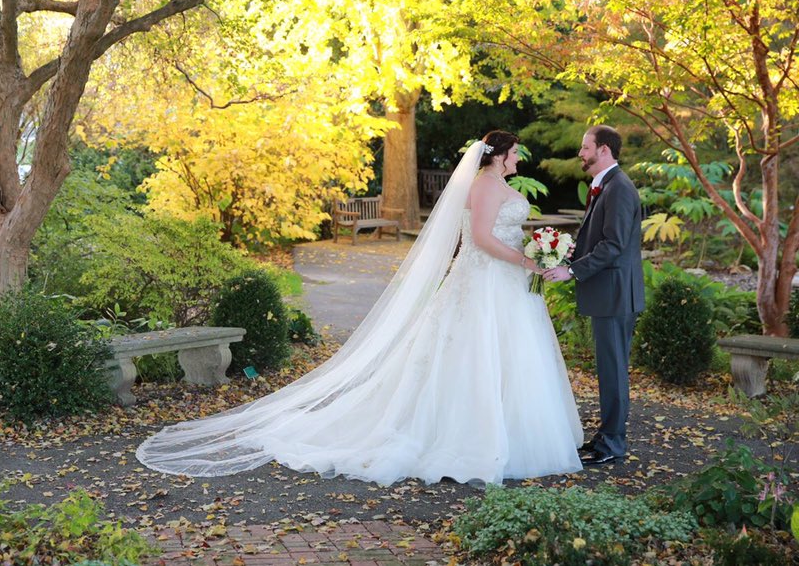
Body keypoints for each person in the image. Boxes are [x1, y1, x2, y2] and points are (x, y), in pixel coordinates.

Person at [137, 131, 583, 486]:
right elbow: (483, 239)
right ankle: (471, 437)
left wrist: (536, 251)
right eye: (515, 153)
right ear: (499, 155)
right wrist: (529, 259)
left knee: (508, 357)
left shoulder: (496, 184)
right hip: (485, 282)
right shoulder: (485, 185)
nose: (519, 159)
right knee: (473, 354)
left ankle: (513, 432)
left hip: (503, 282)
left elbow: (500, 235)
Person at [544, 125, 644, 466]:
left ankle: (613, 443)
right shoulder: (607, 186)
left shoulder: (618, 189)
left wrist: (571, 271)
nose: (580, 153)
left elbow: (613, 245)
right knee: (609, 368)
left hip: (616, 295)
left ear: (603, 150)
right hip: (610, 293)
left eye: (585, 147)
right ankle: (605, 437)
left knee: (614, 369)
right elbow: (600, 238)